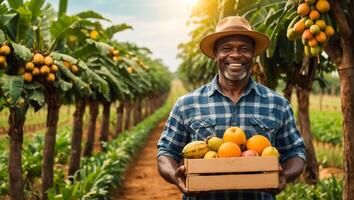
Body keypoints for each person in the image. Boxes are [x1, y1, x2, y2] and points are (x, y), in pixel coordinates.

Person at [157, 16, 306, 200]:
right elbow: (165, 153)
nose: (235, 55)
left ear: (253, 55)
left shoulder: (277, 104)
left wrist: (286, 174)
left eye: (244, 49)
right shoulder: (187, 104)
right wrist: (174, 175)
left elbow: (295, 152)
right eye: (226, 48)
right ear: (215, 54)